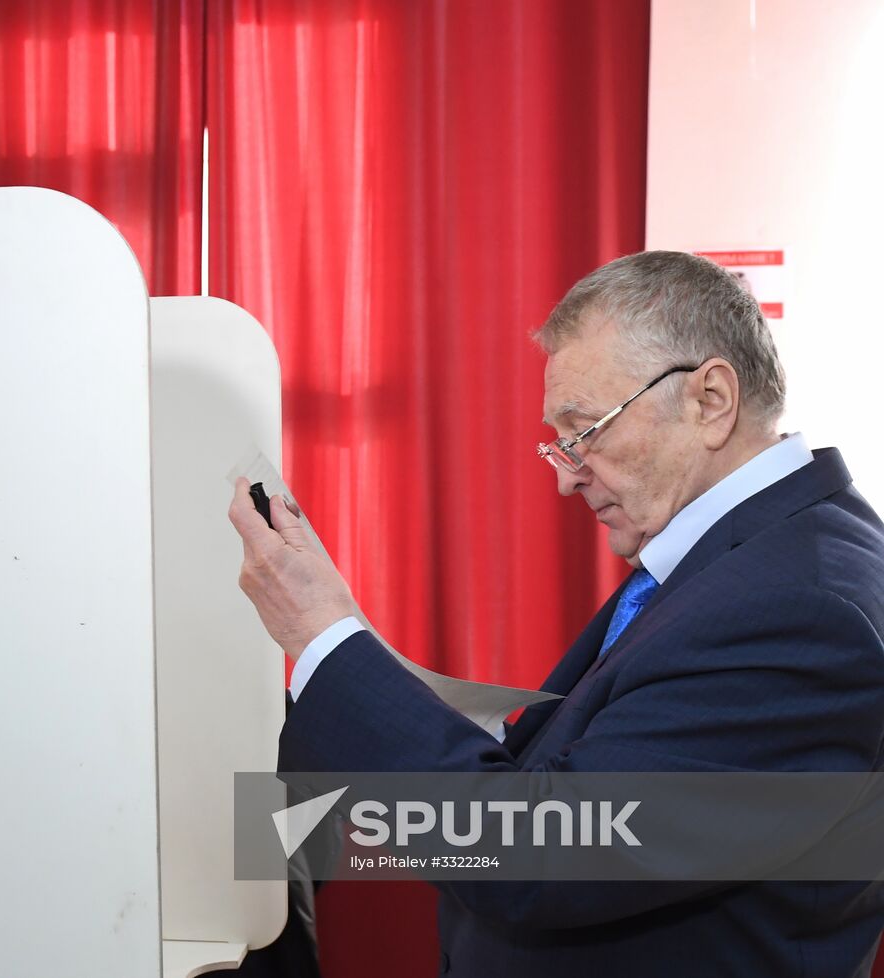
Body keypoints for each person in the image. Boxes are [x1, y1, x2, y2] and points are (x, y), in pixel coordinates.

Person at [229, 251, 884, 977]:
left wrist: (323, 636)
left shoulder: (799, 605)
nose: (569, 475)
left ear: (710, 401)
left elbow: (542, 851)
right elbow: (588, 765)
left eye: (585, 430)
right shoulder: (752, 559)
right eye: (561, 442)